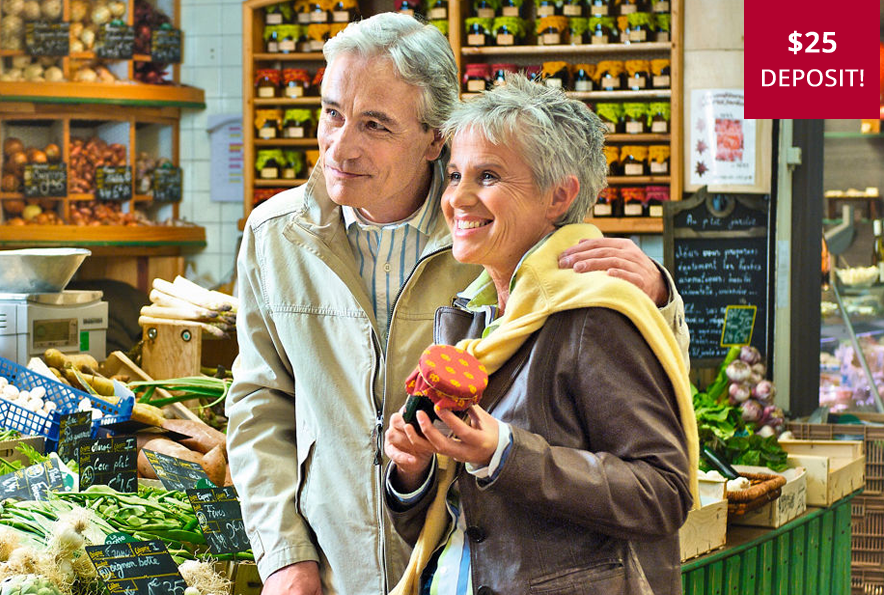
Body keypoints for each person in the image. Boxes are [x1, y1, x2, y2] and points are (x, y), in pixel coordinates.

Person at [226, 13, 690, 595]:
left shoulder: (493, 242)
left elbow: (638, 397)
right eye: (332, 113)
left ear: (434, 136)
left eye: (375, 125)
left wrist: (656, 297)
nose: (340, 147)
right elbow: (258, 404)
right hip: (340, 565)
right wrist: (284, 555)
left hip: (473, 568)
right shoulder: (276, 235)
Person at [383, 74, 697, 595]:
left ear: (559, 196)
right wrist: (414, 471)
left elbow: (662, 493)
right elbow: (471, 527)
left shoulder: (591, 317)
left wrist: (505, 453)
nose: (458, 197)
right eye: (455, 173)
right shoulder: (474, 323)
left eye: (488, 176)